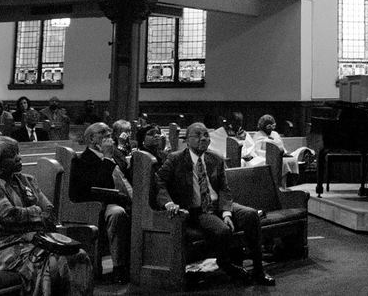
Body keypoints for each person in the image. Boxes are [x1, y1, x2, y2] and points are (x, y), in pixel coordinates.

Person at [156, 122, 275, 286]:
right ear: (187, 140)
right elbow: (159, 182)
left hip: (218, 204)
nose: (203, 138)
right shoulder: (176, 159)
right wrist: (168, 202)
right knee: (223, 231)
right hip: (198, 210)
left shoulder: (215, 158)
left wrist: (227, 213)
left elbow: (224, 189)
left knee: (251, 214)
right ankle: (225, 263)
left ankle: (259, 270)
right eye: (198, 135)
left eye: (206, 135)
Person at [0, 136, 93, 296]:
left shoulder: (27, 180)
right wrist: (36, 212)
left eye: (17, 152)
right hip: (5, 246)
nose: (19, 157)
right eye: (12, 156)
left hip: (38, 239)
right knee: (52, 262)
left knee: (78, 255)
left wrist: (31, 218)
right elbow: (8, 216)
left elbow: (50, 213)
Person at [70, 122, 131, 283]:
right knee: (117, 213)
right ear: (91, 139)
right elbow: (97, 187)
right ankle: (119, 267)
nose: (108, 136)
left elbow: (126, 174)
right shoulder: (81, 160)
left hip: (124, 197)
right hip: (100, 204)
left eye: (109, 133)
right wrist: (108, 158)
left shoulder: (115, 154)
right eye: (103, 133)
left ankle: (139, 265)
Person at [241, 114, 301, 181]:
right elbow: (256, 151)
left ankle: (288, 183)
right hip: (265, 157)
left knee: (292, 160)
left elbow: (281, 146)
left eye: (272, 126)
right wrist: (273, 154)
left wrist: (285, 153)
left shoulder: (275, 134)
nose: (271, 129)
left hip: (280, 155)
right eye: (268, 127)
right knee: (281, 163)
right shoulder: (258, 135)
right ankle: (278, 184)